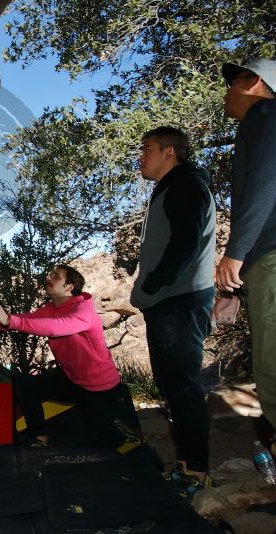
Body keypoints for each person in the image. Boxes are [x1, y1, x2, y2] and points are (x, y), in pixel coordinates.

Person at [0, 265, 138, 452]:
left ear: (69, 287)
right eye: (50, 274)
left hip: (100, 387)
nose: (49, 277)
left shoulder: (84, 310)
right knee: (25, 384)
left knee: (102, 441)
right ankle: (41, 437)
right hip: (73, 381)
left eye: (56, 276)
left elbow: (55, 327)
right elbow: (22, 320)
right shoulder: (50, 309)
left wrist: (9, 320)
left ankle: (120, 432)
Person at [131, 126, 216, 498]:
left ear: (170, 152)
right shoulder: (171, 187)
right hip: (168, 301)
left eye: (146, 148)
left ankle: (197, 471)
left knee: (183, 387)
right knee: (172, 386)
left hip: (179, 300)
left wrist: (154, 284)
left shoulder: (186, 184)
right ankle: (186, 465)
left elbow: (186, 240)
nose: (141, 156)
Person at [215, 58, 276, 457]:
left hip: (271, 257)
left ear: (252, 81)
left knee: (272, 364)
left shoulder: (267, 115)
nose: (225, 94)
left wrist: (235, 253)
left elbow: (266, 183)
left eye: (231, 83)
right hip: (264, 258)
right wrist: (236, 287)